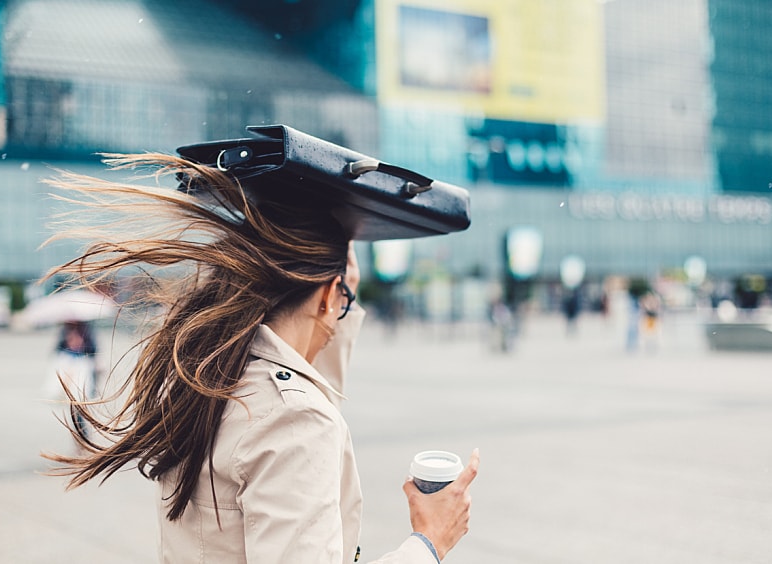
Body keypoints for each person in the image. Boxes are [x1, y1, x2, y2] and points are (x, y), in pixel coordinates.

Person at [42, 153, 479, 563]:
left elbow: (297, 378)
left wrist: (335, 288)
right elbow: (296, 411)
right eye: (341, 300)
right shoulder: (292, 419)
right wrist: (429, 542)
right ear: (329, 295)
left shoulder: (207, 374)